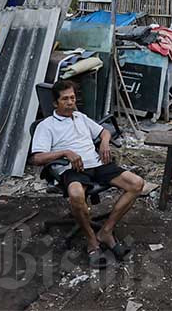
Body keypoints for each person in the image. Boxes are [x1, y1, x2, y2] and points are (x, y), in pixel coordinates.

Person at [30, 80, 145, 268]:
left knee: (136, 183)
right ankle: (92, 241)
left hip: (96, 163)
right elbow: (37, 158)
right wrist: (65, 152)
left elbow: (104, 132)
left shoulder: (80, 117)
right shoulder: (47, 125)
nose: (70, 102)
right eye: (65, 99)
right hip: (73, 168)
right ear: (55, 103)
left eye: (72, 98)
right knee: (76, 194)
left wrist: (105, 143)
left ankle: (106, 231)